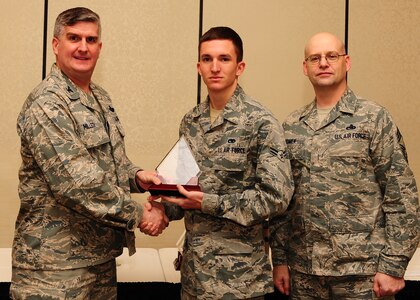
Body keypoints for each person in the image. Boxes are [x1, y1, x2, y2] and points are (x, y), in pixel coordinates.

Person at [10, 7, 168, 299]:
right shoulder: (48, 103)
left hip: (99, 260)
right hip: (54, 270)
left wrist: (137, 177)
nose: (83, 47)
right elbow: (78, 182)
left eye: (91, 39)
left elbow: (111, 164)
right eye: (74, 38)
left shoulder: (100, 98)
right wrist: (139, 213)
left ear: (100, 47)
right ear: (56, 45)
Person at [270, 32, 419, 299]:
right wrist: (280, 259)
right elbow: (284, 201)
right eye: (315, 58)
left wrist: (394, 266)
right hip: (304, 275)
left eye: (331, 56)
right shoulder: (291, 126)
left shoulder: (373, 119)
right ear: (305, 68)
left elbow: (402, 196)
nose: (323, 63)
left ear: (346, 62)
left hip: (363, 275)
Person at [151, 26, 294, 299]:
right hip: (194, 278)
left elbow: (275, 198)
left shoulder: (261, 123)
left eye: (224, 59)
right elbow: (183, 189)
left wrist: (208, 202)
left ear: (240, 67)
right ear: (198, 67)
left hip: (239, 282)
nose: (215, 67)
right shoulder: (190, 122)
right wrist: (161, 209)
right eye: (207, 59)